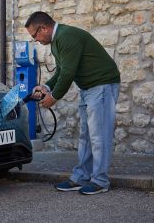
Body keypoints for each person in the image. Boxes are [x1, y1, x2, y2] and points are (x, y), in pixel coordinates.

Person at [25, 11, 120, 195]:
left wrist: (54, 97)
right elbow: (61, 70)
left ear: (43, 28)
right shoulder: (57, 43)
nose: (35, 40)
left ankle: (100, 181)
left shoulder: (66, 37)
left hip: (102, 85)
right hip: (88, 88)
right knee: (86, 135)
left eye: (34, 35)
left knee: (99, 136)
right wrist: (45, 86)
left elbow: (68, 74)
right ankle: (81, 177)